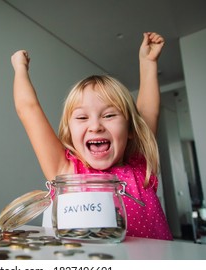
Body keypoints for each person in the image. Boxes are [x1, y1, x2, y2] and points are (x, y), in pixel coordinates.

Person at [11, 32, 173, 240]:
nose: (95, 126)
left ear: (131, 130)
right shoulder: (66, 173)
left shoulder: (140, 168)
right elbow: (28, 109)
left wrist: (148, 62)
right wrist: (20, 68)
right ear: (70, 133)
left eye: (109, 115)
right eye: (82, 117)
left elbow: (149, 112)